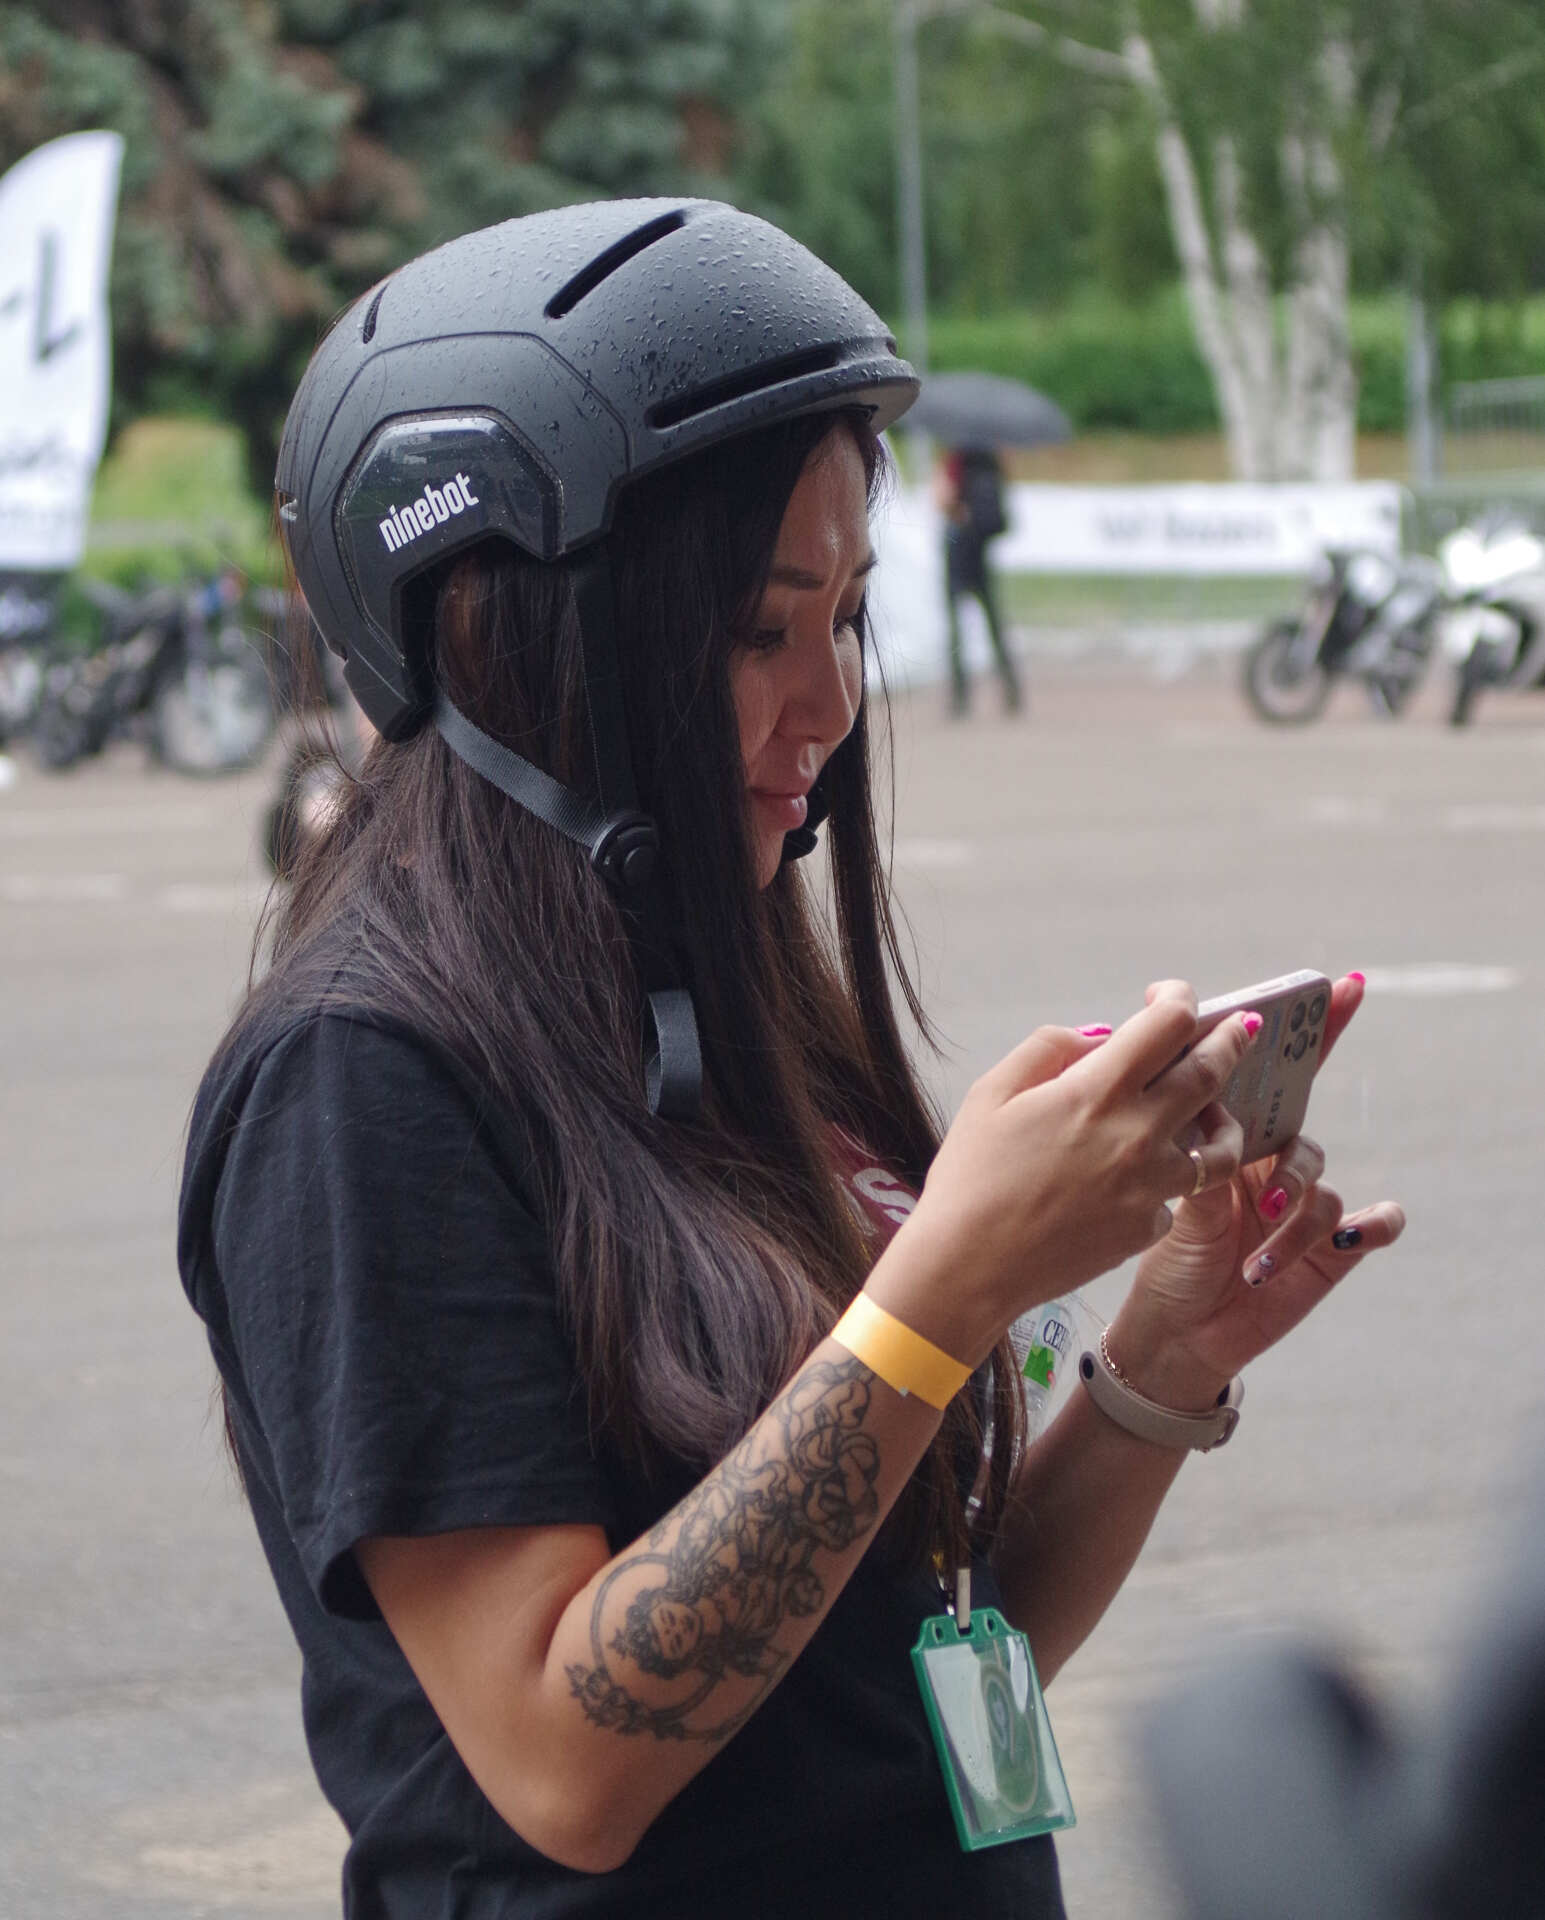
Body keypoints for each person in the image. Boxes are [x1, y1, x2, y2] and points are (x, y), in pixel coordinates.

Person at [177, 199, 1403, 1919]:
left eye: (847, 619)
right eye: (762, 629)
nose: (828, 706)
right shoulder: (360, 1080)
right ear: (507, 639)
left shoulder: (710, 974)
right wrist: (948, 1284)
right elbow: (566, 1761)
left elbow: (891, 1668)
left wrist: (1155, 1366)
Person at [934, 445, 1020, 715]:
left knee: (956, 628)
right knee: (995, 625)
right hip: (980, 552)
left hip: (959, 549)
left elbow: (943, 499)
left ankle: (960, 696)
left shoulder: (957, 458)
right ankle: (1012, 690)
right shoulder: (992, 457)